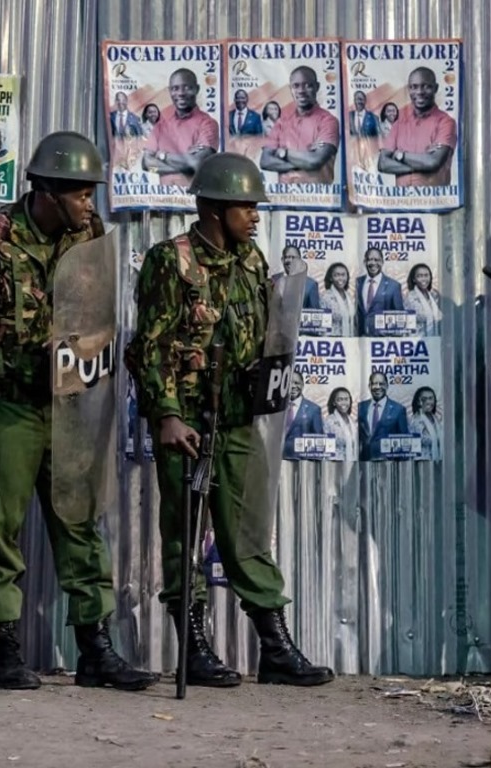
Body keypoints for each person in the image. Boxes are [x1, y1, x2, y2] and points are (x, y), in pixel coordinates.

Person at [0, 131, 156, 693]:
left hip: (70, 406)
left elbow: (101, 317)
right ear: (49, 191)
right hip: (9, 406)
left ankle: (95, 649)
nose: (92, 204)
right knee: (0, 531)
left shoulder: (89, 237)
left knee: (80, 527)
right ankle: (6, 651)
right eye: (82, 193)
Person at [126, 152, 334, 688]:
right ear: (216, 208)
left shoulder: (249, 261)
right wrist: (167, 416)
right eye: (247, 205)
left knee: (246, 533)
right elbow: (146, 349)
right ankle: (194, 649)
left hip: (239, 420)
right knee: (185, 535)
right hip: (187, 423)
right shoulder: (169, 261)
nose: (256, 215)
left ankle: (275, 647)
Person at [377, 67, 457, 187]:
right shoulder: (399, 122)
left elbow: (432, 162)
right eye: (414, 87)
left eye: (426, 86)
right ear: (409, 89)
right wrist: (418, 166)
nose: (419, 92)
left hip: (434, 202)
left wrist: (400, 155)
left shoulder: (445, 122)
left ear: (436, 88)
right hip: (401, 202)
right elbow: (382, 163)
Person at [259, 66, 340, 184]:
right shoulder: (281, 122)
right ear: (290, 89)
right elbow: (265, 161)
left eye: (307, 85)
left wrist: (283, 152)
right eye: (296, 86)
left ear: (317, 87)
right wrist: (303, 163)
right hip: (285, 198)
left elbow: (315, 161)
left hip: (318, 199)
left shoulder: (328, 121)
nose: (301, 91)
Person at [142, 68, 220, 187]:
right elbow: (146, 164)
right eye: (175, 88)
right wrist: (182, 166)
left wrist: (162, 155)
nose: (181, 93)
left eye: (187, 87)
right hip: (164, 201)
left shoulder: (208, 124)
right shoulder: (161, 126)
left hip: (194, 201)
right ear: (169, 92)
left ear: (197, 89)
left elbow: (195, 164)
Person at [358, 372, 409, 461]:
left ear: (387, 386)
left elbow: (404, 441)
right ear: (369, 386)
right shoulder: (360, 407)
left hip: (389, 465)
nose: (378, 387)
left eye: (381, 384)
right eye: (374, 383)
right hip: (364, 463)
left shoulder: (398, 409)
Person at [356, 248, 404, 335]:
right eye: (370, 259)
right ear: (364, 262)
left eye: (376, 260)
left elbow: (399, 317)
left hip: (383, 341)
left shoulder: (394, 286)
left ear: (382, 262)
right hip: (360, 340)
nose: (373, 263)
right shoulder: (357, 283)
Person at [283, 372, 324, 460]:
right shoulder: (276, 407)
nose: (293, 386)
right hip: (276, 462)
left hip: (302, 465)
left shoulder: (313, 409)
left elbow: (318, 442)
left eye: (296, 383)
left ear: (302, 385)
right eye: (289, 383)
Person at [272, 245, 320, 309]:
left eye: (293, 257)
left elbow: (315, 313)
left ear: (300, 260)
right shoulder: (274, 280)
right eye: (287, 257)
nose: (290, 261)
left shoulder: (310, 285)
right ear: (282, 260)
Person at [320, 262, 356, 336]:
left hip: (349, 341)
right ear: (331, 278)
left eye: (343, 275)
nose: (340, 278)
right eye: (337, 275)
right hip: (333, 342)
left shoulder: (349, 296)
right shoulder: (326, 297)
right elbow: (323, 326)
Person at [323, 387, 357, 462]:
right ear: (334, 402)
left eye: (346, 399)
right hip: (335, 464)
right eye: (340, 400)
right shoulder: (329, 421)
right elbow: (327, 449)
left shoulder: (353, 421)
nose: (343, 403)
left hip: (353, 463)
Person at [409, 387, 441, 461]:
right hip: (422, 462)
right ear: (418, 402)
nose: (428, 402)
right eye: (424, 399)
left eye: (431, 398)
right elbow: (420, 439)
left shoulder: (436, 418)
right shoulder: (416, 420)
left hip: (437, 461)